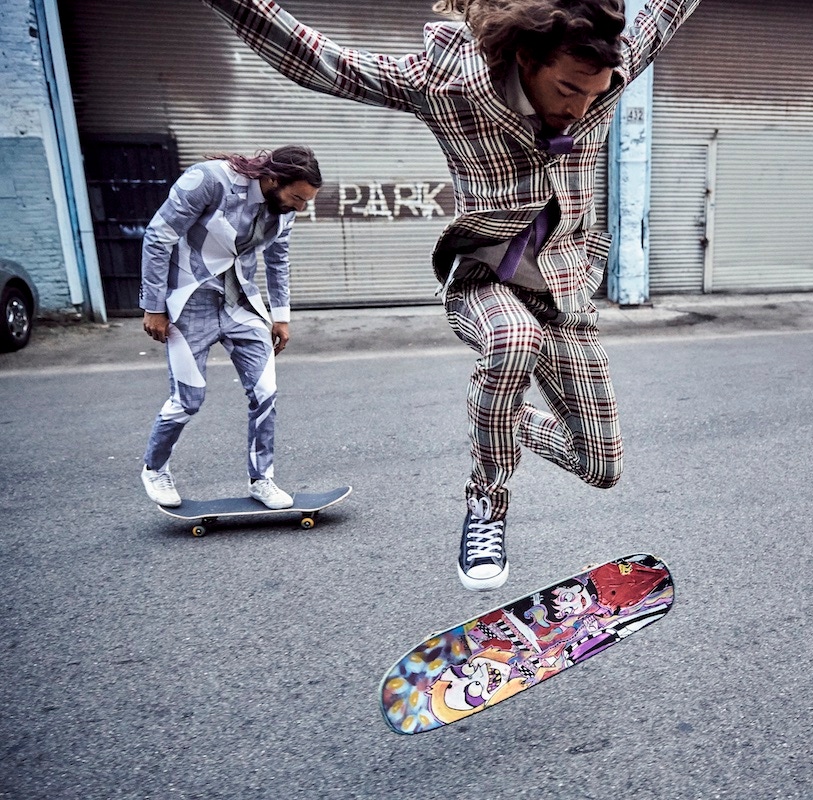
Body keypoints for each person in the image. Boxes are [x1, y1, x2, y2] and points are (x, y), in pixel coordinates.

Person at [201, 0, 702, 590]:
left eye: (595, 96)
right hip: (483, 280)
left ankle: (499, 416)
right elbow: (326, 62)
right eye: (568, 89)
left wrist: (597, 88)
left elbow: (668, 11)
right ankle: (486, 502)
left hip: (565, 289)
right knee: (514, 341)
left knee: (601, 466)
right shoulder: (449, 83)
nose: (580, 109)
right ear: (525, 57)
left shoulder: (604, 76)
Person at [139, 145, 322, 511]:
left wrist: (281, 316)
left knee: (266, 392)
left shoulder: (283, 209)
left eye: (306, 202)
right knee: (187, 400)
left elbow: (277, 259)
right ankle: (155, 468)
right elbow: (159, 237)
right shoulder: (208, 181)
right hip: (190, 304)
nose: (300, 208)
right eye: (297, 198)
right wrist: (153, 307)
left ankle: (262, 479)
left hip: (242, 304)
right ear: (272, 179)